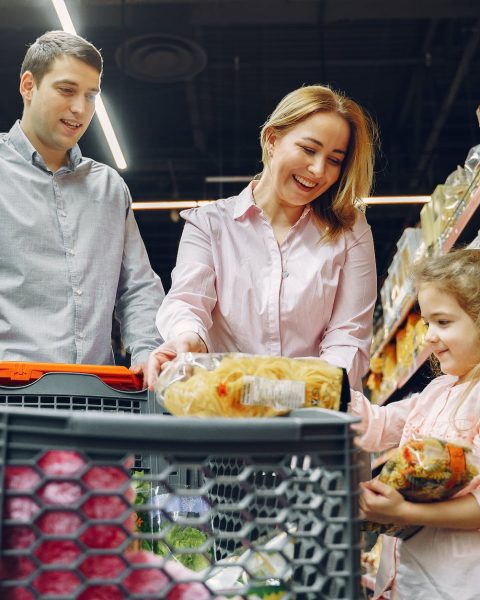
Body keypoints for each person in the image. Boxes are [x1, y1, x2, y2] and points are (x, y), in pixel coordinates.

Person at [147, 84, 378, 390]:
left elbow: (349, 336)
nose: (319, 169)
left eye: (335, 159)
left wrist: (300, 390)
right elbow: (188, 302)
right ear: (272, 139)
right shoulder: (210, 224)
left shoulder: (350, 230)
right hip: (227, 407)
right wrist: (188, 339)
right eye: (309, 149)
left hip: (315, 414)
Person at [0, 30, 164, 377]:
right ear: (28, 86)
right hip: (9, 394)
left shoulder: (108, 188)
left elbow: (137, 287)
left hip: (97, 391)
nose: (80, 108)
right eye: (67, 90)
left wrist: (147, 351)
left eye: (91, 96)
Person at [351, 248, 480, 599]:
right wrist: (324, 388)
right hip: (406, 583)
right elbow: (377, 425)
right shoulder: (436, 391)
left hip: (456, 586)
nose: (428, 337)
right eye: (426, 324)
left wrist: (403, 511)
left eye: (443, 322)